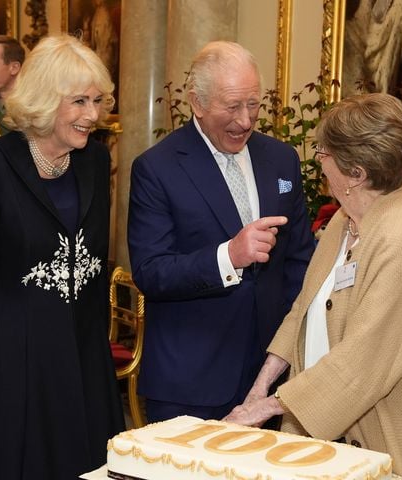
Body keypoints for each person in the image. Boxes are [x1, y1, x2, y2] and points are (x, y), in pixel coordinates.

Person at [224, 93, 402, 480]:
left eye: (324, 151)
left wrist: (265, 409)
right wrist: (259, 388)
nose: (319, 159)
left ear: (357, 173)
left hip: (388, 437)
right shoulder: (343, 221)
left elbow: (367, 355)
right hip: (325, 432)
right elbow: (303, 309)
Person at [0, 34, 124, 480]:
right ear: (42, 98)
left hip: (78, 355)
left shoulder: (94, 160)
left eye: (97, 100)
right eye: (79, 101)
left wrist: (97, 351)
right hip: (7, 361)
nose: (92, 115)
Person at [128, 41, 314, 423]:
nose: (245, 121)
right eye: (232, 106)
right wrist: (228, 256)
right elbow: (152, 272)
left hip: (269, 379)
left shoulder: (281, 160)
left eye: (254, 105)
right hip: (191, 382)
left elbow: (299, 261)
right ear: (196, 103)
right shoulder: (157, 168)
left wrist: (290, 356)